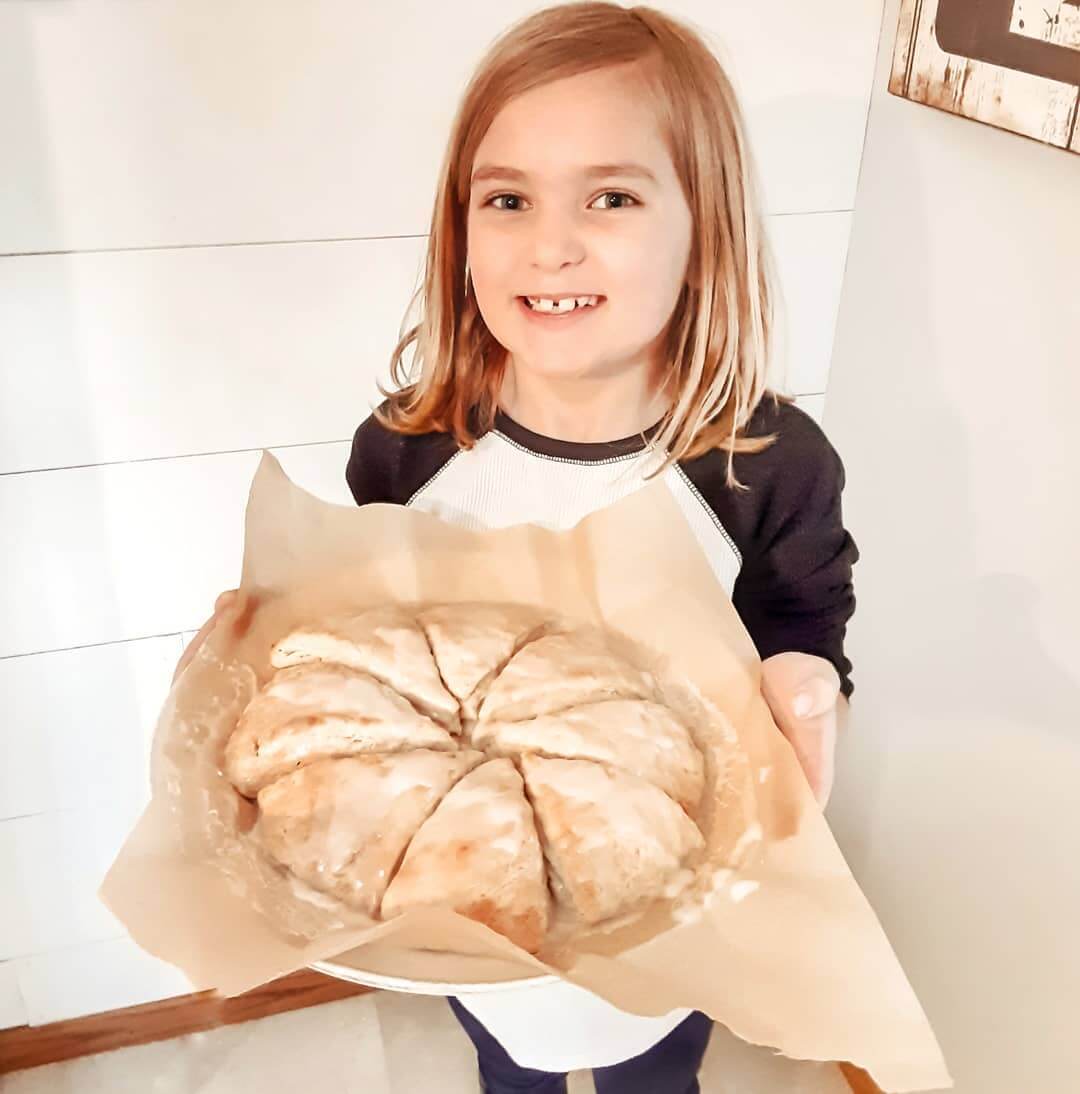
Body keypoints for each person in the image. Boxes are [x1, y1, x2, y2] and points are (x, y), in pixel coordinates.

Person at [174, 4, 859, 1090]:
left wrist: (807, 682)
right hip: (467, 897)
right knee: (509, 1061)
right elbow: (367, 647)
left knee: (655, 1066)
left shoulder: (763, 463)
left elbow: (801, 618)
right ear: (461, 230)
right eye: (508, 199)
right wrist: (272, 634)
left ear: (704, 232)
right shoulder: (407, 450)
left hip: (667, 900)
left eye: (613, 196)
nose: (551, 244)